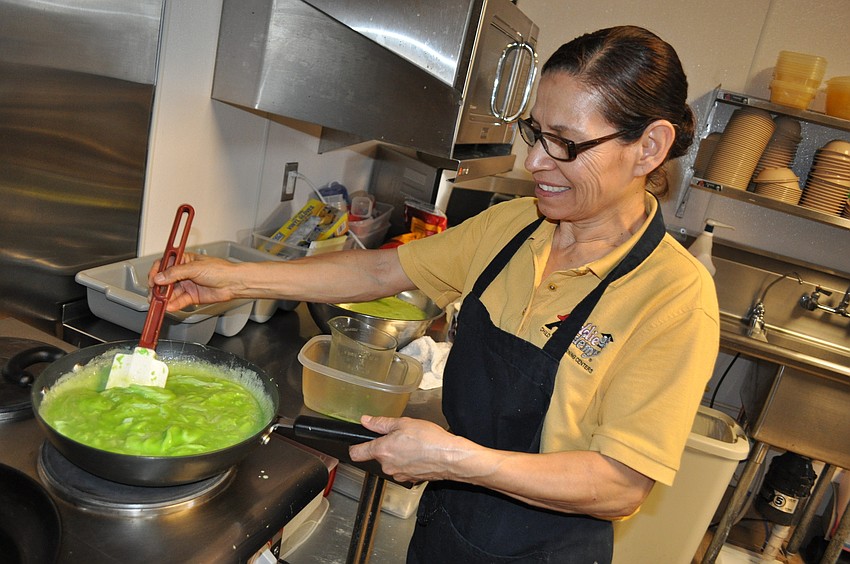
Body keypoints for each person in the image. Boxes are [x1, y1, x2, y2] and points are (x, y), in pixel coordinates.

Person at [151, 25, 719, 564]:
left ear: (649, 148)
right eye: (535, 133)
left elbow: (619, 486)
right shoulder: (515, 226)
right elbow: (379, 274)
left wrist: (456, 459)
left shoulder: (674, 296)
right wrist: (233, 279)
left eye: (566, 143)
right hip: (446, 527)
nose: (535, 162)